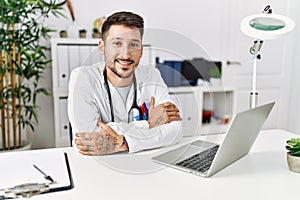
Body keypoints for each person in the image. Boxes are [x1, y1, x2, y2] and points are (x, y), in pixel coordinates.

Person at [68, 11, 182, 156]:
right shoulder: (82, 77)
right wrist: (148, 124)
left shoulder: (152, 75)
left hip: (143, 162)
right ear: (102, 47)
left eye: (133, 45)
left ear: (141, 51)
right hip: (95, 165)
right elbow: (86, 139)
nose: (126, 54)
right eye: (117, 43)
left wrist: (123, 142)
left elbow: (175, 130)